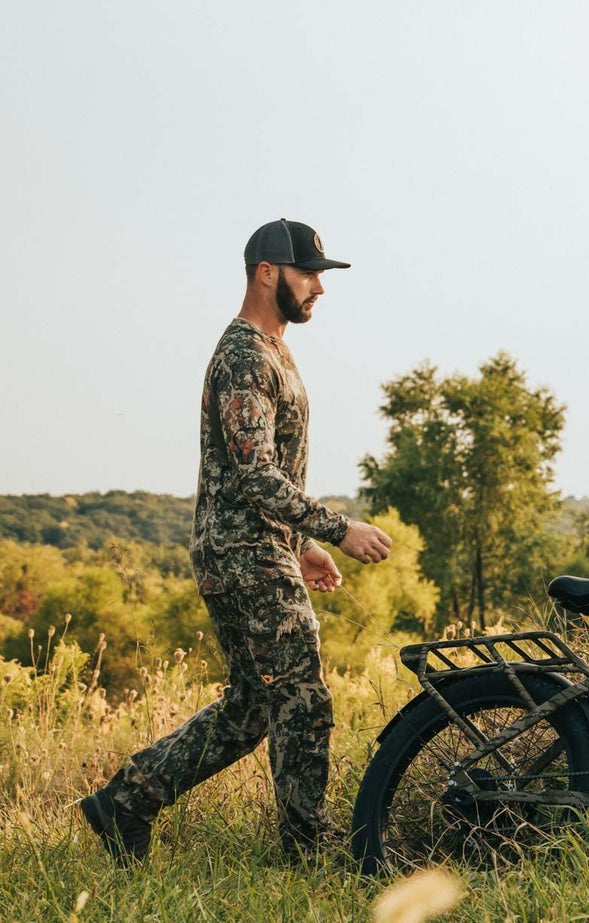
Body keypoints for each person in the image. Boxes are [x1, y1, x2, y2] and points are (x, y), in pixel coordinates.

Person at [79, 218, 394, 864]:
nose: (318, 289)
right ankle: (310, 849)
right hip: (242, 552)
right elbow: (255, 474)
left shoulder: (275, 348)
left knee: (251, 709)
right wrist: (337, 526)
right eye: (308, 274)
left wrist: (302, 543)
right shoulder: (245, 355)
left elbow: (262, 464)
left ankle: (126, 802)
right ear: (266, 272)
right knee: (301, 695)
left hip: (261, 546)